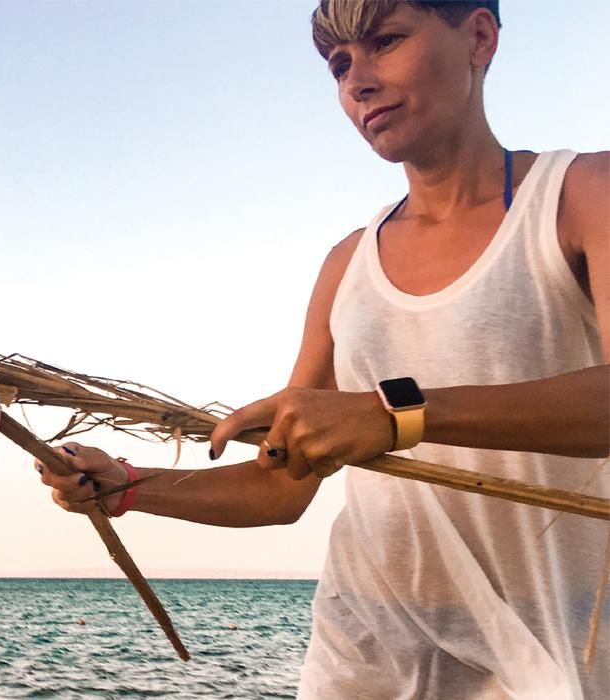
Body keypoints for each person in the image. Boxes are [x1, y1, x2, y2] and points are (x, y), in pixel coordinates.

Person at [39, 2, 609, 697]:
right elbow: (281, 484)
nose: (356, 82)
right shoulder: (347, 263)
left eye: (385, 43)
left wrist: (391, 413)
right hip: (364, 650)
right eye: (339, 65)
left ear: (479, 38)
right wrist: (125, 486)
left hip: (551, 644)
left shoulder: (580, 194)